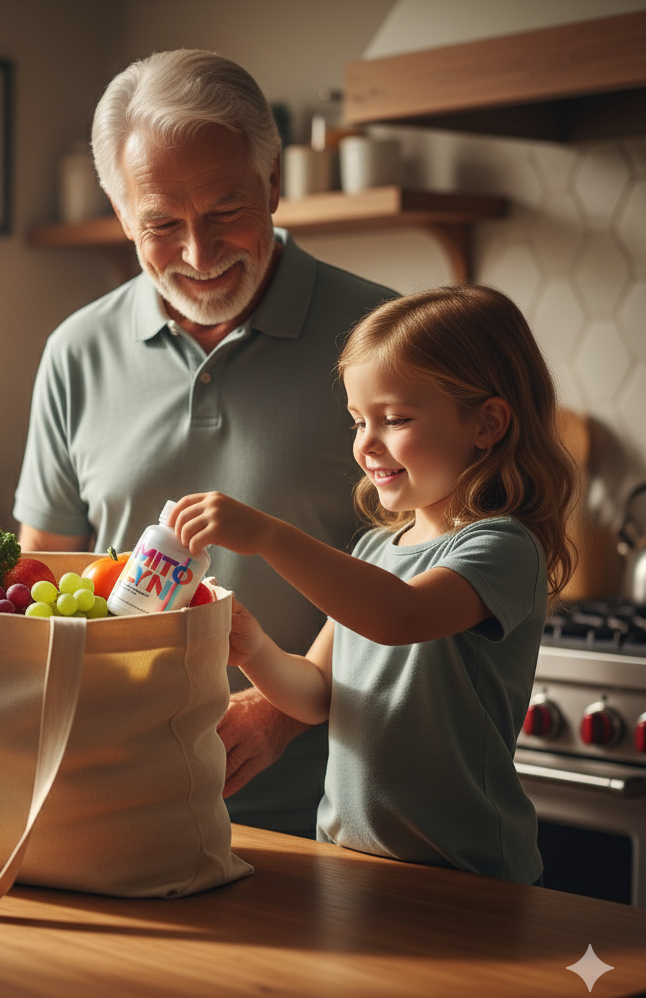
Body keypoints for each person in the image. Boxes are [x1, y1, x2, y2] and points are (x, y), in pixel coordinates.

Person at [13, 49, 397, 837]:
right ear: (122, 216)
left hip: (328, 819)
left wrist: (282, 713)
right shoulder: (74, 352)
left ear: (274, 185)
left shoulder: (384, 341)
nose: (198, 253)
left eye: (226, 211)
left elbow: (412, 563)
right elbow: (44, 581)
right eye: (160, 224)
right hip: (111, 806)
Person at [168, 284, 579, 882]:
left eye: (396, 419)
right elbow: (315, 693)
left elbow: (401, 619)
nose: (366, 443)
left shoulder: (501, 548)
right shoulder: (374, 550)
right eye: (359, 420)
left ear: (488, 423)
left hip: (466, 872)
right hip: (349, 858)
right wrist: (253, 648)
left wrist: (268, 535)